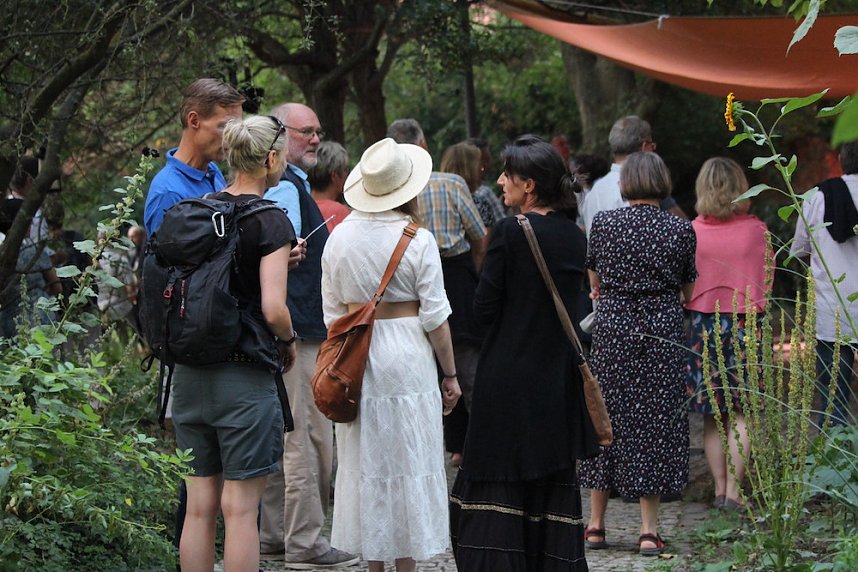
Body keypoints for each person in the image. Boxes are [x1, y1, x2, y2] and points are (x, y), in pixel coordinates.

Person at [450, 135, 599, 571]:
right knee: (548, 483)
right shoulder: (575, 236)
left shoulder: (512, 233)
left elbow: (482, 311)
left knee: (498, 481)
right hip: (556, 379)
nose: (499, 181)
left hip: (507, 379)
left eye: (507, 175)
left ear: (529, 185)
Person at [322, 137, 462, 572]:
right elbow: (435, 316)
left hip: (356, 357)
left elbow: (331, 313)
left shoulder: (338, 238)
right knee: (409, 458)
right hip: (408, 358)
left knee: (367, 461)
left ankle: (374, 566)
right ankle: (406, 566)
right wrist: (451, 374)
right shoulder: (417, 239)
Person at [172, 114, 297, 572]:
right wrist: (288, 339)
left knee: (200, 507)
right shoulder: (271, 220)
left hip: (189, 377)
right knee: (240, 510)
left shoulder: (200, 211)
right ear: (269, 159)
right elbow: (274, 309)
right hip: (243, 379)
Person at [578, 152, 697, 556]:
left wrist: (610, 293)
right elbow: (688, 291)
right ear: (663, 183)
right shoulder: (680, 229)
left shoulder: (605, 224)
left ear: (626, 184)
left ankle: (595, 525)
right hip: (661, 331)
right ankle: (648, 531)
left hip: (613, 329)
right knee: (655, 422)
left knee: (605, 418)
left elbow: (593, 279)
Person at [259, 102, 358, 569]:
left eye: (319, 131)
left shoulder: (292, 182)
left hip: (293, 328)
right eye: (307, 132)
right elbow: (279, 253)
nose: (316, 139)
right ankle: (304, 542)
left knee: (291, 437)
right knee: (306, 441)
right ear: (280, 135)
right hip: (295, 332)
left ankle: (277, 536)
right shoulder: (282, 188)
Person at [387, 119, 486, 457]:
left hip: (404, 283)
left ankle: (453, 444)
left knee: (428, 360)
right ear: (424, 143)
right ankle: (477, 442)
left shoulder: (388, 188)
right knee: (463, 360)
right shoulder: (451, 183)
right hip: (455, 276)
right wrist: (476, 274)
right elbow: (478, 236)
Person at [685, 157, 772, 509]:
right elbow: (768, 281)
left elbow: (684, 284)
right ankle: (736, 494)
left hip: (703, 325)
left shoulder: (690, 231)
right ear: (740, 189)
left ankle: (720, 489)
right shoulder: (758, 232)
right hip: (744, 324)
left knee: (712, 413)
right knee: (741, 412)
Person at [791, 141, 858, 427]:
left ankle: (836, 460)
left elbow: (799, 250)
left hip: (832, 309)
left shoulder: (816, 197)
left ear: (842, 160)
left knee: (834, 402)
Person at [143, 78, 245, 235]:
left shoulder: (211, 171)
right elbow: (165, 258)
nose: (233, 137)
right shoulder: (168, 192)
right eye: (224, 126)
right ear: (194, 120)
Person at [580, 116, 685, 237]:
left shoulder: (594, 192)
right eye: (652, 146)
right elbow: (681, 230)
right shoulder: (647, 189)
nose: (654, 150)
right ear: (645, 147)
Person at [0, 197, 62, 338]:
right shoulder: (33, 251)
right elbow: (57, 286)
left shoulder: (1, 255)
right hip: (42, 318)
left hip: (11, 325)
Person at [308, 141, 351, 233]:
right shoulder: (339, 212)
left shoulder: (302, 204)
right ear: (334, 175)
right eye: (346, 170)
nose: (347, 175)